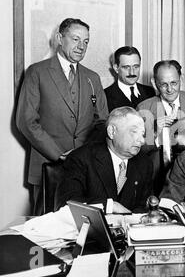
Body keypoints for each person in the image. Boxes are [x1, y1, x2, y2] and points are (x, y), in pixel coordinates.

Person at [16, 18, 109, 215]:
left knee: (84, 230)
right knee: (45, 231)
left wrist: (85, 155)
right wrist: (58, 154)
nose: (81, 46)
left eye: (86, 42)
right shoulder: (37, 72)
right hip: (48, 167)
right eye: (75, 39)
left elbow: (102, 122)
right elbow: (26, 121)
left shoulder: (93, 78)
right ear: (59, 38)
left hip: (85, 169)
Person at [137, 59, 185, 193]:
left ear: (181, 78)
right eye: (163, 84)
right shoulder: (144, 107)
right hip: (158, 181)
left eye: (174, 83)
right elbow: (137, 151)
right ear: (154, 83)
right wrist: (155, 134)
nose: (170, 89)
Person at [55, 107, 153, 213]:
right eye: (134, 132)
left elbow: (144, 208)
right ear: (111, 132)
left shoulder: (144, 163)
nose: (142, 141)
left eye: (143, 134)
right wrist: (109, 206)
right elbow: (67, 204)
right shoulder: (81, 159)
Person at [105, 46, 155, 111]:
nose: (131, 72)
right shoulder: (105, 96)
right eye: (126, 67)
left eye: (136, 66)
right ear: (116, 68)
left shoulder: (150, 92)